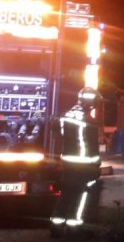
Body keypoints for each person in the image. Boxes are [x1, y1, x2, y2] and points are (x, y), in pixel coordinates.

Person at [50, 87, 103, 238]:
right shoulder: (89, 121)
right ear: (92, 102)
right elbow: (93, 149)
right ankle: (74, 230)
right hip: (83, 167)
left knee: (65, 196)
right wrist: (96, 166)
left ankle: (56, 228)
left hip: (67, 165)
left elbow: (57, 130)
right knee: (80, 198)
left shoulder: (66, 116)